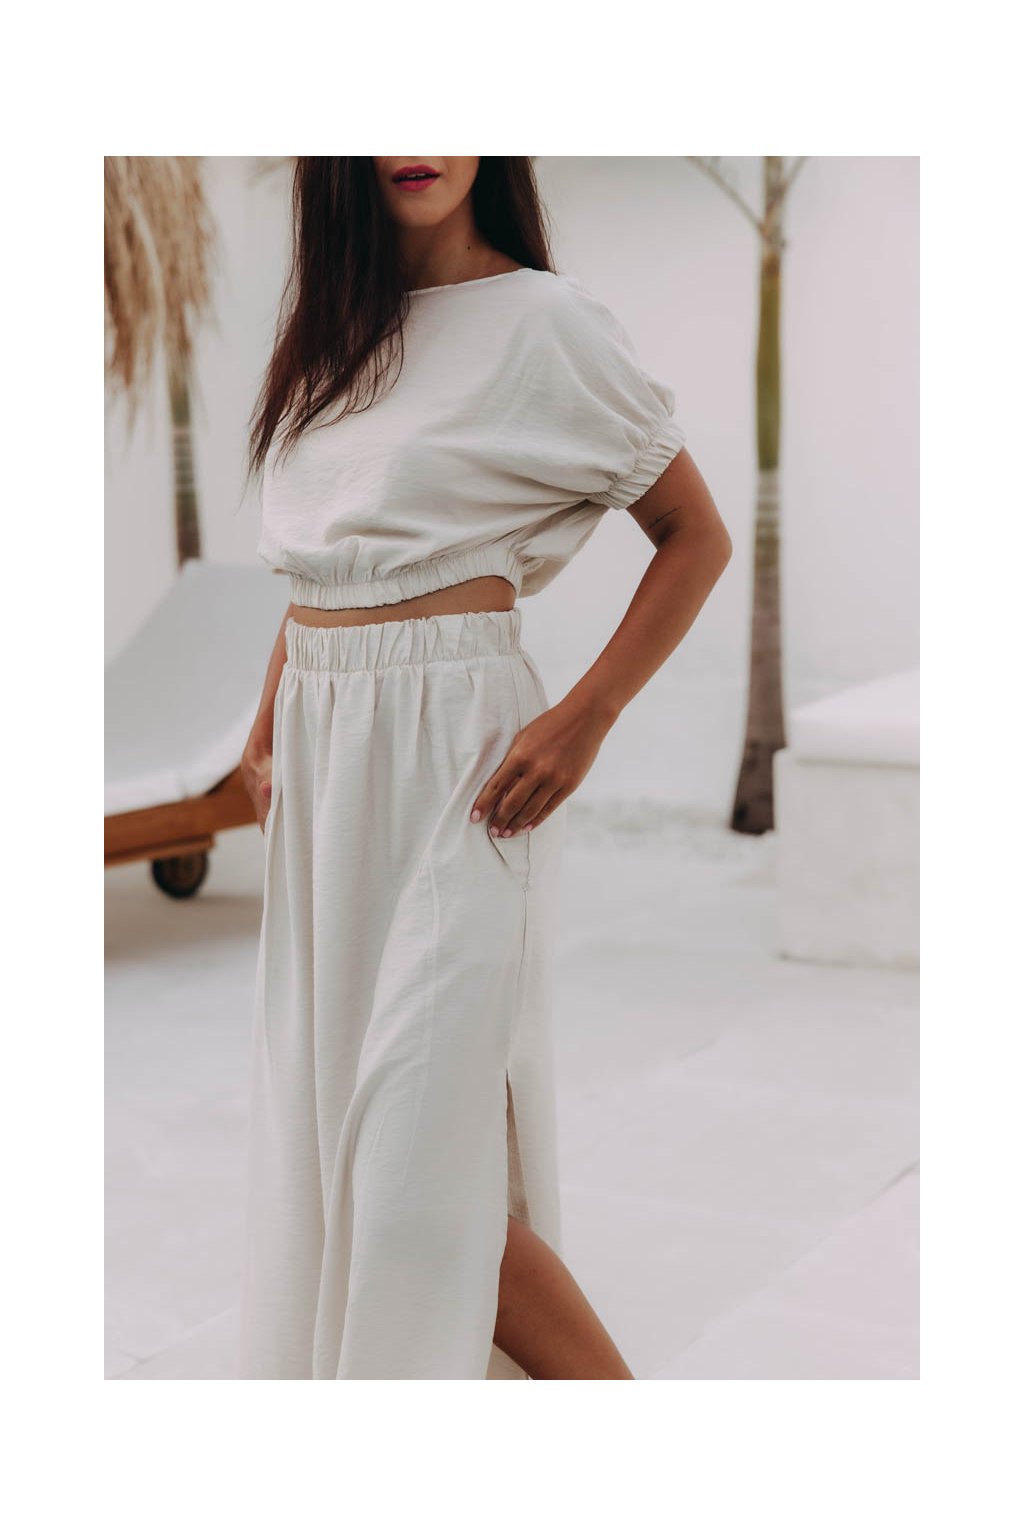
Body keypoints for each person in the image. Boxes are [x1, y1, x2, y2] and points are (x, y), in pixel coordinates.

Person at [236, 156, 732, 1380]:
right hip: (323, 761)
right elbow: (328, 562)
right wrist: (266, 720)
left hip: (455, 756)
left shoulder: (543, 322)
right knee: (347, 1148)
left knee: (417, 1178)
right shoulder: (328, 336)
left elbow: (694, 534)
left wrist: (585, 716)